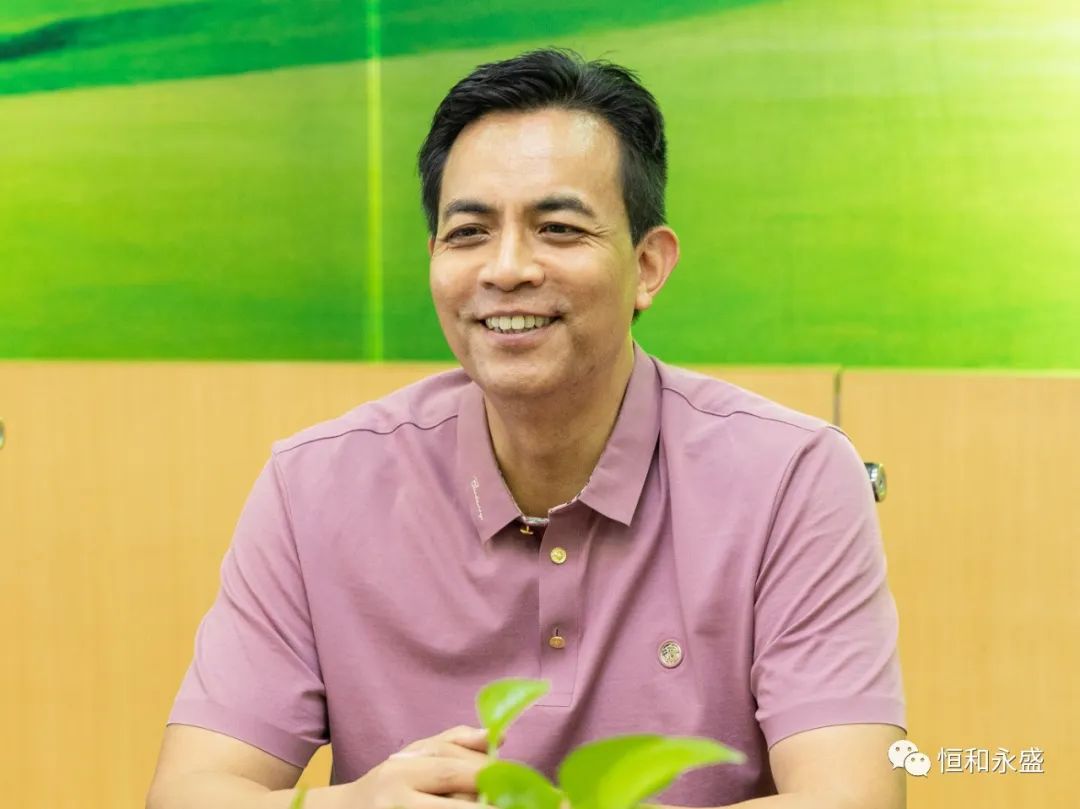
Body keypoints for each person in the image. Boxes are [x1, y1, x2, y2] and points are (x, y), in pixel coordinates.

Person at [147, 49, 906, 809]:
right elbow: (187, 793)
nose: (506, 268)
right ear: (435, 259)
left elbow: (856, 799)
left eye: (558, 227)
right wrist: (352, 805)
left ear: (648, 265)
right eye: (469, 232)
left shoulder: (791, 478)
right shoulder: (314, 488)